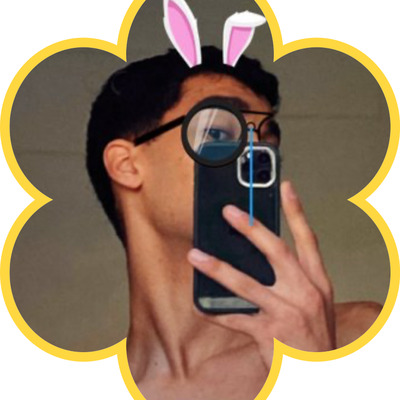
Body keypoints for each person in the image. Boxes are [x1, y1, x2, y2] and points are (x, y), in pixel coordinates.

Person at [86, 46, 382, 400]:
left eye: (268, 141)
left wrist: (313, 373)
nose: (255, 153)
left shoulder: (363, 339)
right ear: (126, 165)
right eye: (217, 134)